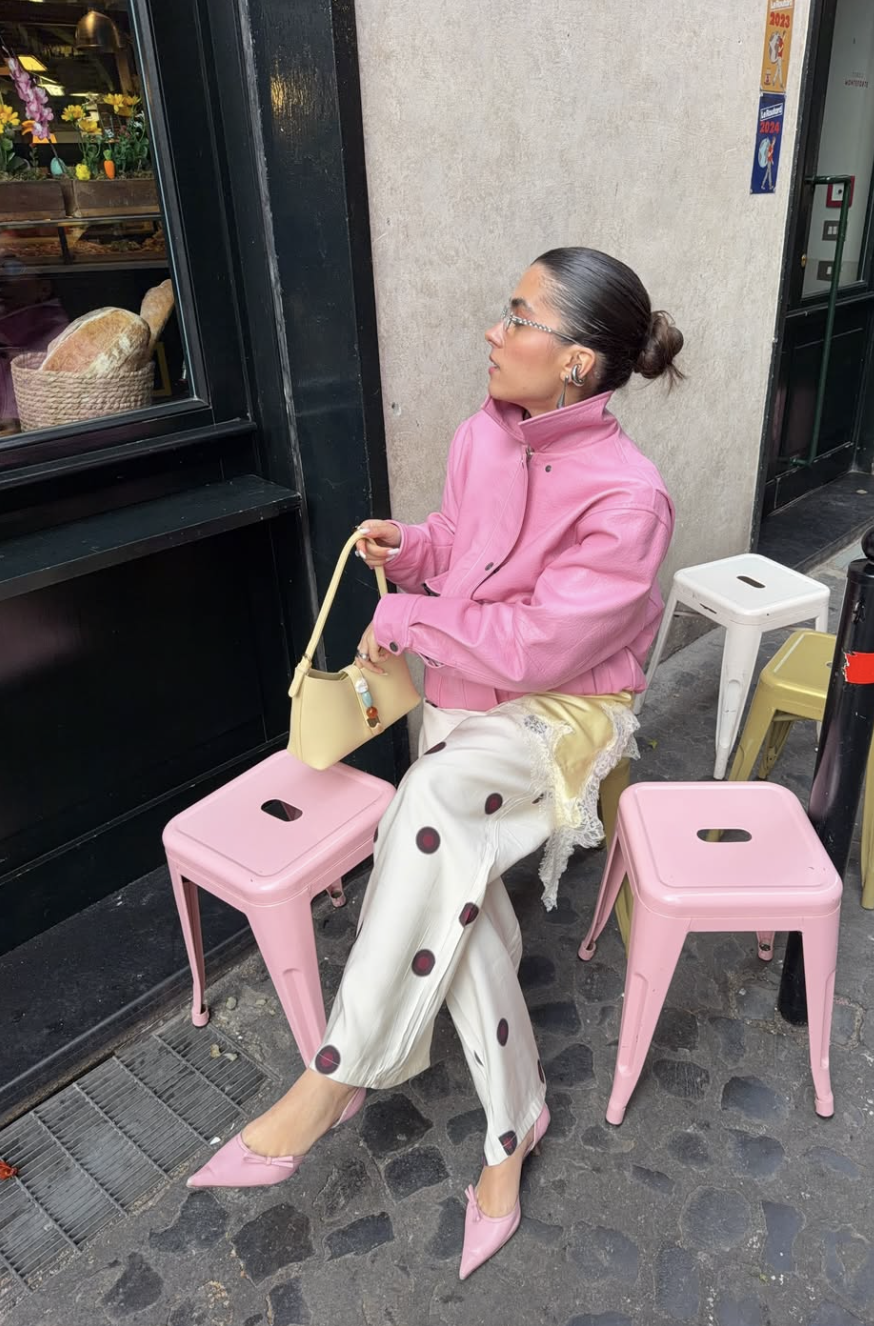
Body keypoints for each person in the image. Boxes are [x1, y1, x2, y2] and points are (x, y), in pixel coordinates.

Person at [188, 247, 682, 1278]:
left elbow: (545, 648)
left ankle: (334, 1076)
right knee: (455, 875)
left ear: (578, 362)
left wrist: (408, 618)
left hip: (559, 713)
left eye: (519, 317)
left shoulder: (630, 500)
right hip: (462, 691)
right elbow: (465, 542)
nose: (495, 332)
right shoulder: (480, 433)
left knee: (428, 804)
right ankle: (515, 1127)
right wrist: (412, 550)